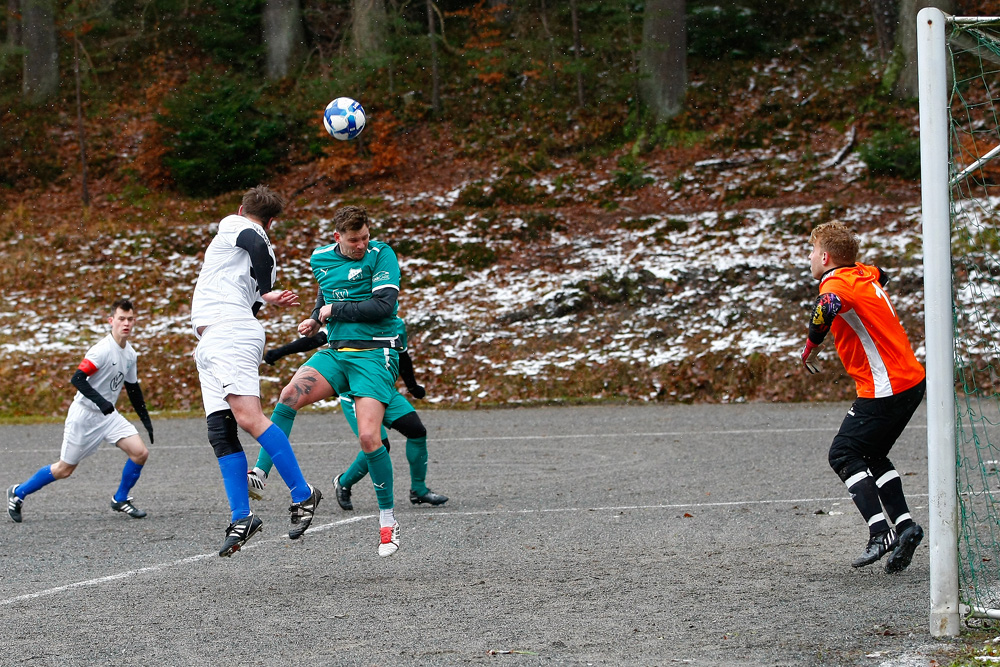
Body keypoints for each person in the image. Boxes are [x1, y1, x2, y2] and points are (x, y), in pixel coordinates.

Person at [250, 204, 403, 558]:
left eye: (365, 237)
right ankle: (260, 471)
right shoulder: (320, 257)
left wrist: (333, 312)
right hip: (336, 352)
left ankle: (387, 520)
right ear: (337, 238)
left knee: (369, 437)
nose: (361, 244)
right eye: (354, 240)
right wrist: (314, 320)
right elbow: (327, 293)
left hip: (374, 353)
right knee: (288, 396)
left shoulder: (381, 255)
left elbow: (384, 306)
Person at [190, 185, 322, 557]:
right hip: (219, 338)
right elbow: (253, 297)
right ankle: (242, 516)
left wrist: (266, 290)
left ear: (240, 209)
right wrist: (264, 294)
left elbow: (254, 241)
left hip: (227, 333)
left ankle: (303, 493)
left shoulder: (236, 226)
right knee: (221, 429)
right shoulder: (264, 253)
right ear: (273, 220)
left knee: (249, 418)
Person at [801, 221, 926, 573]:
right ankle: (905, 528)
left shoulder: (836, 282)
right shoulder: (862, 273)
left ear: (825, 257)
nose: (809, 259)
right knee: (872, 454)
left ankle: (879, 532)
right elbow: (881, 274)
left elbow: (827, 305)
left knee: (843, 453)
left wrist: (810, 349)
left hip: (886, 385)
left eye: (812, 252)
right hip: (911, 379)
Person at [254, 317, 448, 511]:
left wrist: (412, 387)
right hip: (355, 392)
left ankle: (419, 490)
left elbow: (403, 355)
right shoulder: (351, 315)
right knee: (379, 444)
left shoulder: (396, 323)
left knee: (417, 431)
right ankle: (344, 482)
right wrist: (280, 352)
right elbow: (316, 340)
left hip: (382, 387)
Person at [7, 298, 153, 523]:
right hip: (84, 416)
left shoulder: (130, 354)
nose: (126, 323)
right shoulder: (101, 350)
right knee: (64, 469)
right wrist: (101, 401)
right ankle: (18, 493)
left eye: (130, 319)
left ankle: (120, 499)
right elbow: (78, 379)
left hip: (108, 416)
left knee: (140, 452)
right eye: (121, 319)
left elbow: (133, 389)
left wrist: (146, 419)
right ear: (111, 320)